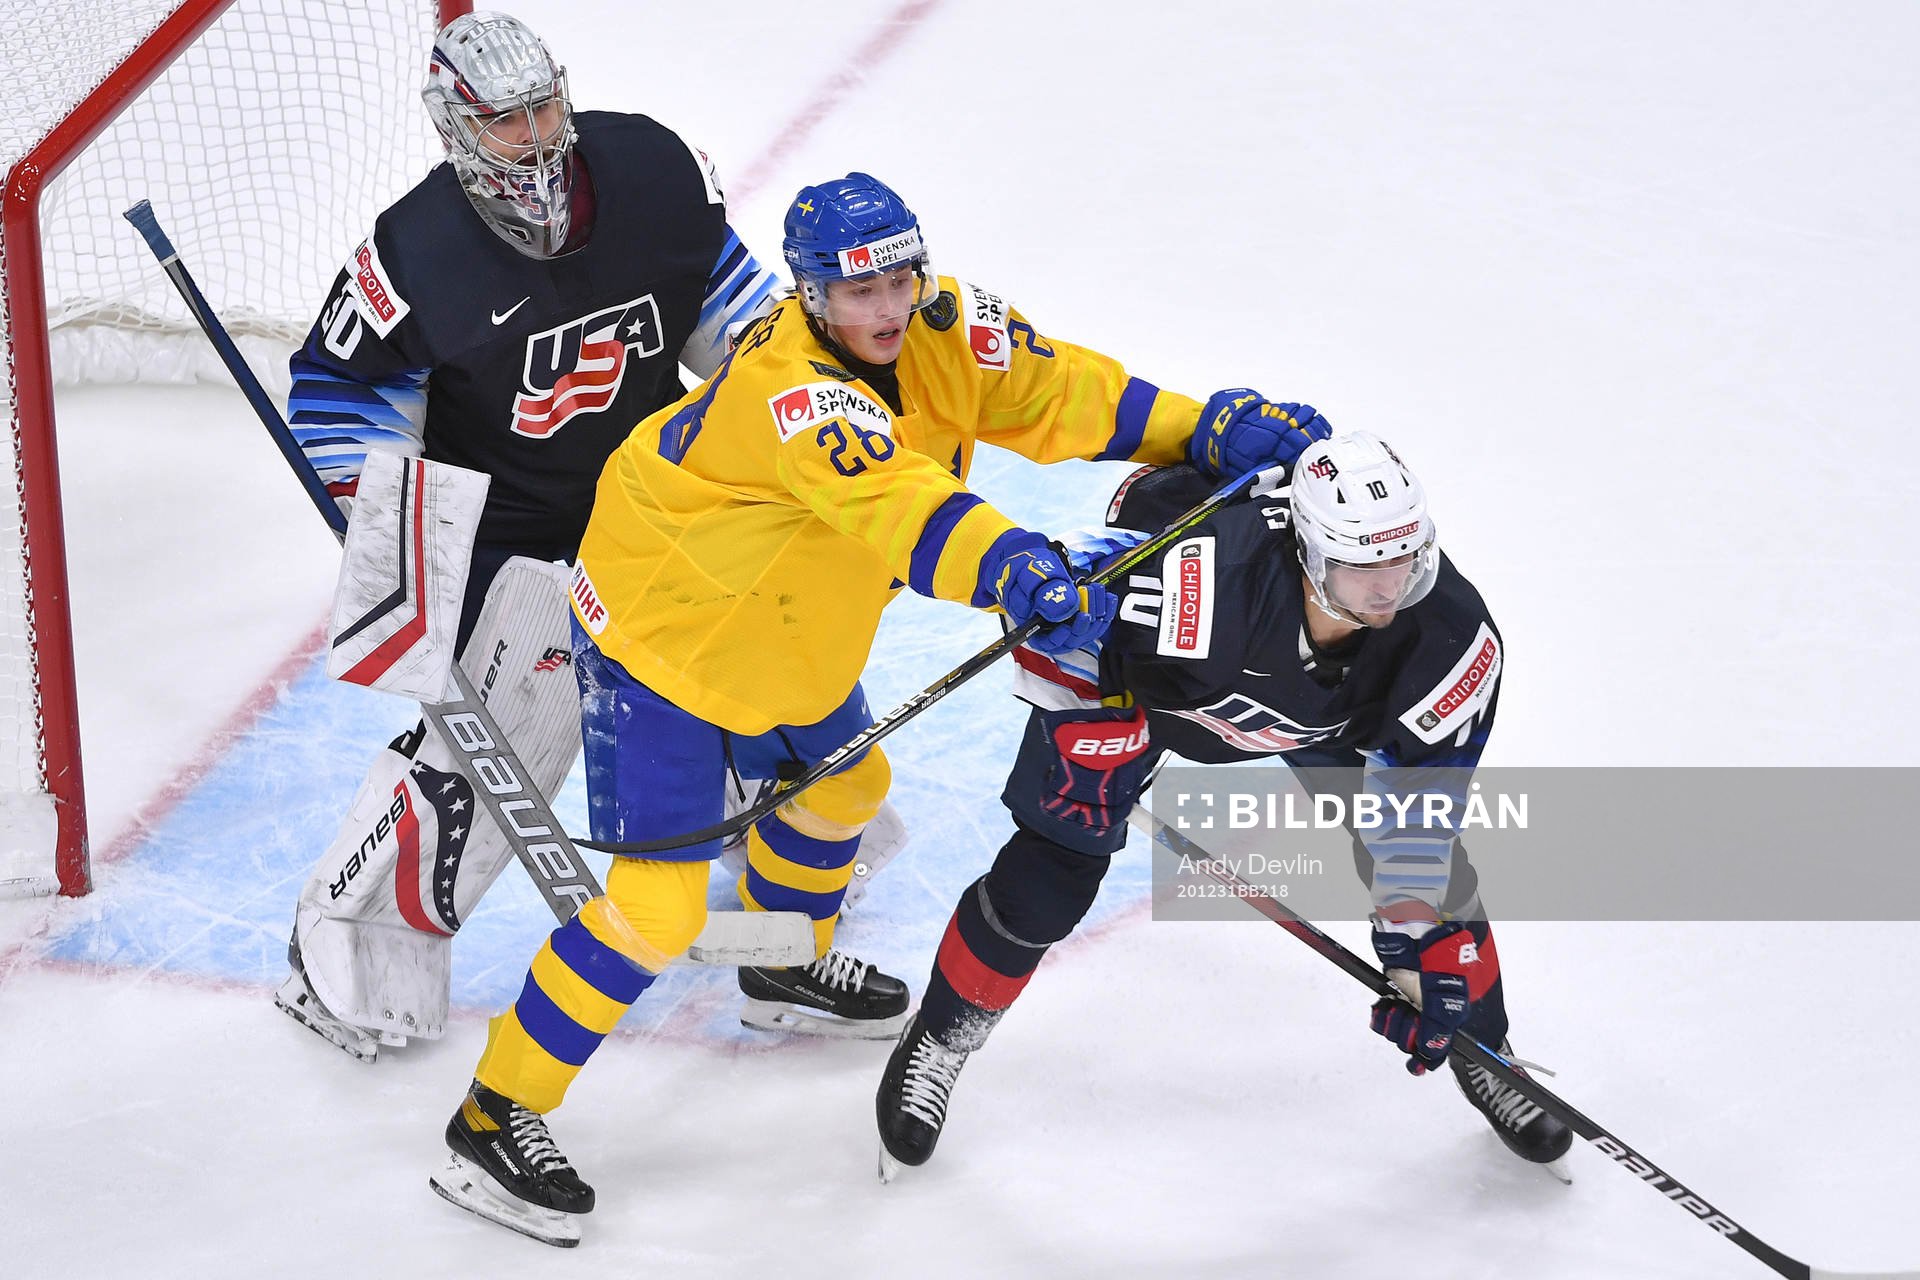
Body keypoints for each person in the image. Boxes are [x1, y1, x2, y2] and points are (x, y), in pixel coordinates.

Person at [424, 170, 1331, 1246]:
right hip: (662, 629)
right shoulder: (789, 391)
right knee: (658, 907)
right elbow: (894, 499)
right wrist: (1012, 564)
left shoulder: (946, 326)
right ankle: (494, 1113)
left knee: (848, 785)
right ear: (810, 296)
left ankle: (781, 962)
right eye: (858, 292)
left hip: (786, 615)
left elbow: (1063, 394)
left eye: (899, 276)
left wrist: (1205, 426)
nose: (888, 307)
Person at [273, 10, 785, 1063]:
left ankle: (787, 904)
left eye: (545, 103)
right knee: (505, 744)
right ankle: (350, 944)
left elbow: (741, 318)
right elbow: (336, 391)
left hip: (648, 504)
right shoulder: (413, 252)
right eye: (507, 121)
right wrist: (404, 547)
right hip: (508, 539)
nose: (538, 132)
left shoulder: (650, 167)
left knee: (763, 664)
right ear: (456, 126)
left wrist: (788, 433)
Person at [873, 433, 1575, 1177]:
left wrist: (1427, 951)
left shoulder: (1452, 642)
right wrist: (1093, 725)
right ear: (1306, 551)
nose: (1388, 588)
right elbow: (1053, 599)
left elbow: (1418, 825)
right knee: (1050, 876)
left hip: (1323, 720)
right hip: (1156, 699)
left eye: (1404, 559)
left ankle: (1486, 1048)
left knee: (1437, 904)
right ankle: (940, 1038)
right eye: (1362, 565)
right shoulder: (1201, 581)